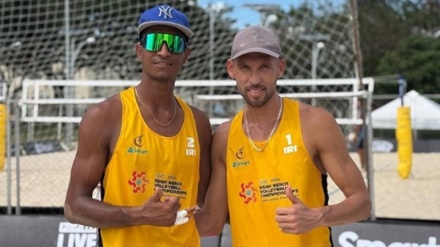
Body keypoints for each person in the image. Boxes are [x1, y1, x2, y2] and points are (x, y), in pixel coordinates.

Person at [195, 26, 371, 246]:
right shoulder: (224, 136)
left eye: (264, 67)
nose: (254, 79)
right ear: (231, 69)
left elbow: (362, 203)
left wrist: (317, 216)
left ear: (280, 67)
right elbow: (212, 220)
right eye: (245, 68)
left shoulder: (314, 123)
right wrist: (151, 219)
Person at [64, 4, 212, 247]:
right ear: (139, 51)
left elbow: (204, 202)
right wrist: (139, 215)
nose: (164, 51)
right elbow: (73, 206)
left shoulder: (199, 123)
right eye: (155, 41)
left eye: (174, 43)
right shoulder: (105, 116)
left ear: (186, 55)